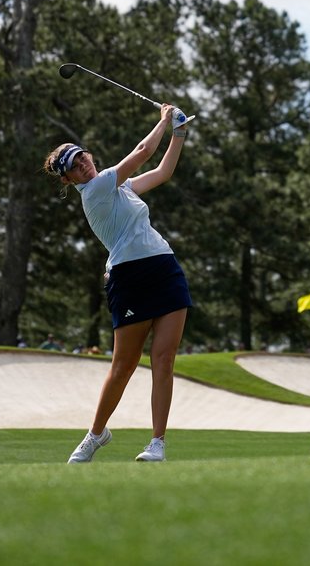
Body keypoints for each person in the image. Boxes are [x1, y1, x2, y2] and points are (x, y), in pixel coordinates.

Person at [47, 104, 191, 464]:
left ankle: (157, 442)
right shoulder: (95, 190)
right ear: (68, 180)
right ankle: (96, 434)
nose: (83, 164)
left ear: (89, 155)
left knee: (163, 360)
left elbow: (162, 172)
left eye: (82, 157)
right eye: (74, 166)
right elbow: (142, 152)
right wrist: (163, 120)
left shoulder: (121, 187)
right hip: (129, 278)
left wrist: (179, 133)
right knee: (123, 365)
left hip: (165, 268)